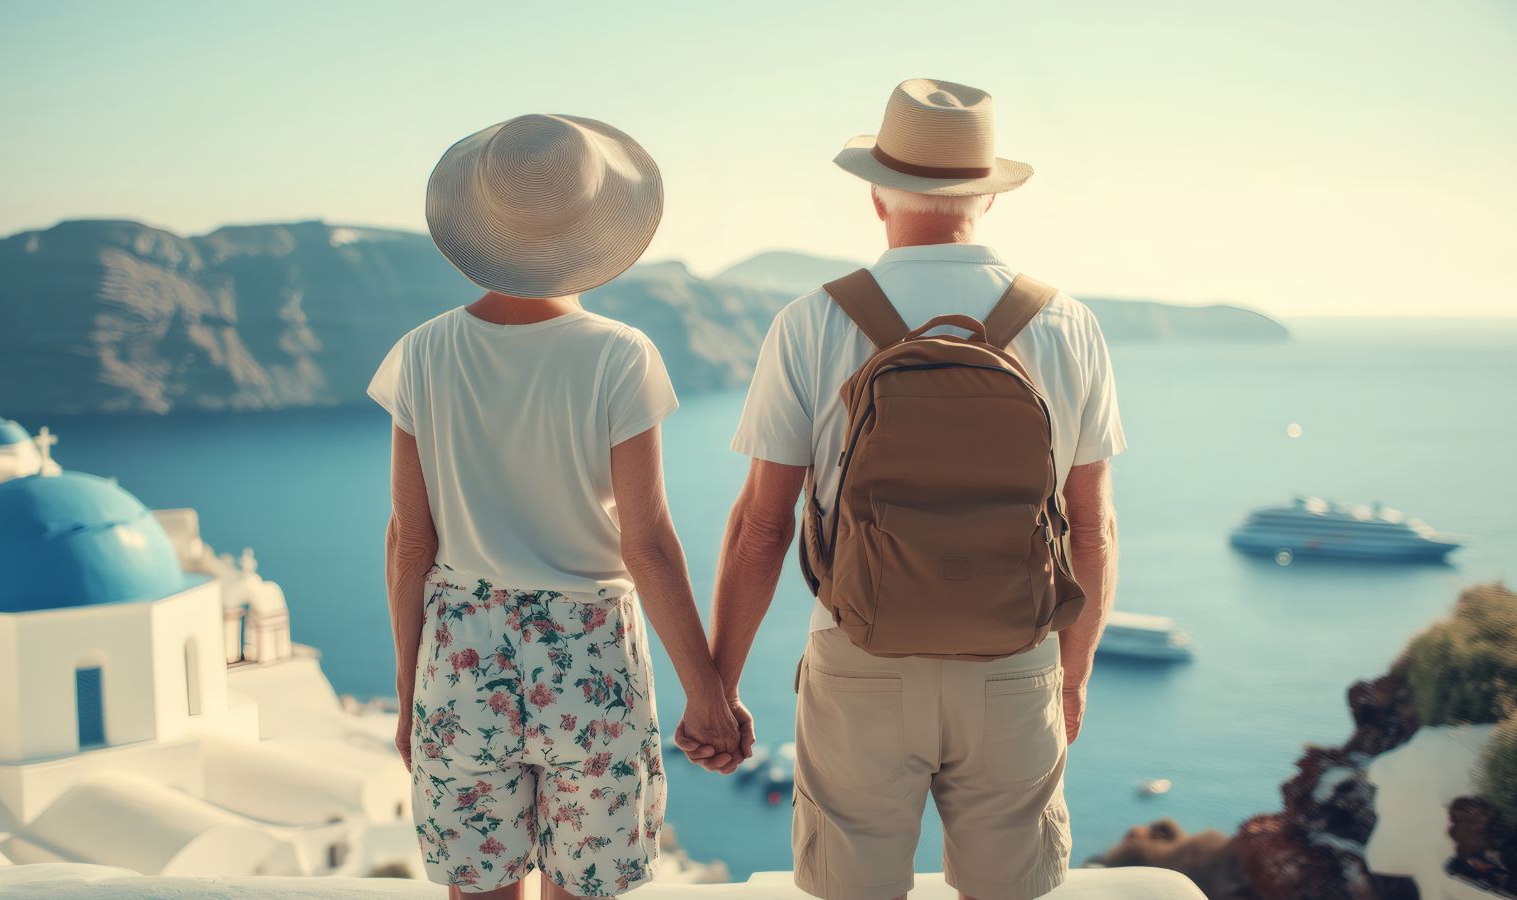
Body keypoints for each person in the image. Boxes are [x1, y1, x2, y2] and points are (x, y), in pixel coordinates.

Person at [690, 79, 1126, 900]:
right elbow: (1092, 528)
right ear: (987, 198)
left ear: (875, 193)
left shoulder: (813, 320)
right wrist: (1070, 677)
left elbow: (761, 526)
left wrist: (720, 685)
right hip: (1014, 659)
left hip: (858, 656)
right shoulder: (1066, 322)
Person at [370, 113, 741, 899]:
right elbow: (647, 543)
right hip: (590, 657)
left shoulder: (423, 353)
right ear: (595, 228)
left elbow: (410, 543)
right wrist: (706, 693)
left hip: (461, 655)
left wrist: (411, 694)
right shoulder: (619, 355)